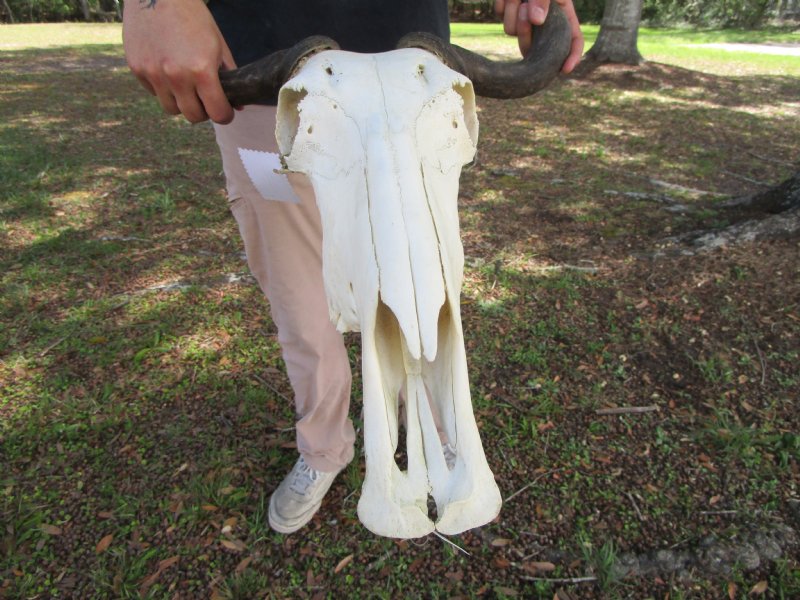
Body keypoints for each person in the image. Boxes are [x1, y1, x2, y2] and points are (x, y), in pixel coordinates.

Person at [122, 0, 583, 535]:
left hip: (415, 99)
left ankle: (439, 429)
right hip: (264, 101)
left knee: (420, 275)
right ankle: (323, 448)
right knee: (298, 297)